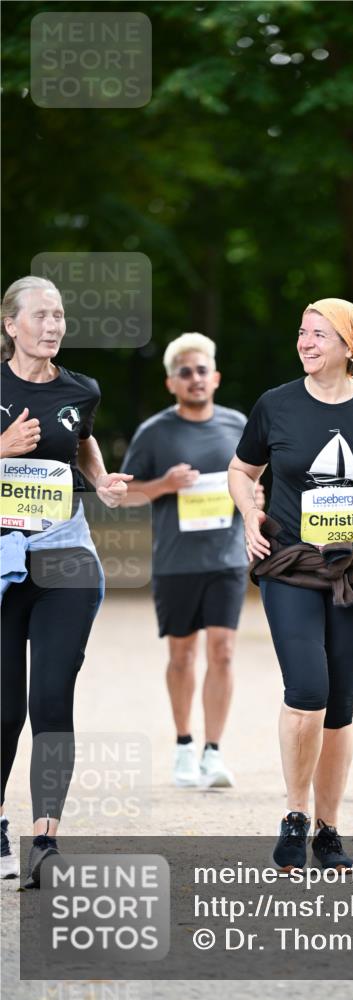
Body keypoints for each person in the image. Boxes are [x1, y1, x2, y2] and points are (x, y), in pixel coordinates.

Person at [228, 298, 353, 871]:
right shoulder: (276, 404)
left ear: (350, 346)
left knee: (339, 702)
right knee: (307, 689)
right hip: (290, 564)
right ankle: (295, 816)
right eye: (302, 332)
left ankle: (329, 830)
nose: (306, 342)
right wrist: (249, 512)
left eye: (319, 334)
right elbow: (241, 470)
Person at [0, 276, 131, 886]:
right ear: (11, 325)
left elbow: (83, 441)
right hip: (4, 562)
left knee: (51, 698)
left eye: (59, 315)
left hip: (64, 557)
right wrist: (3, 447)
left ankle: (45, 841)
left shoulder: (81, 389)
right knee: (5, 710)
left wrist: (100, 480)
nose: (53, 326)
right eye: (41, 315)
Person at [120, 333, 262, 789]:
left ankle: (213, 752)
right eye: (185, 372)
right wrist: (163, 484)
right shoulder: (154, 432)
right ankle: (183, 746)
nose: (195, 378)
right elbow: (123, 494)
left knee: (223, 651)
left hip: (226, 559)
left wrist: (254, 498)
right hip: (176, 563)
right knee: (182, 656)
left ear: (215, 377)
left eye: (202, 370)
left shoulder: (238, 426)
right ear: (171, 383)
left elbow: (255, 483)